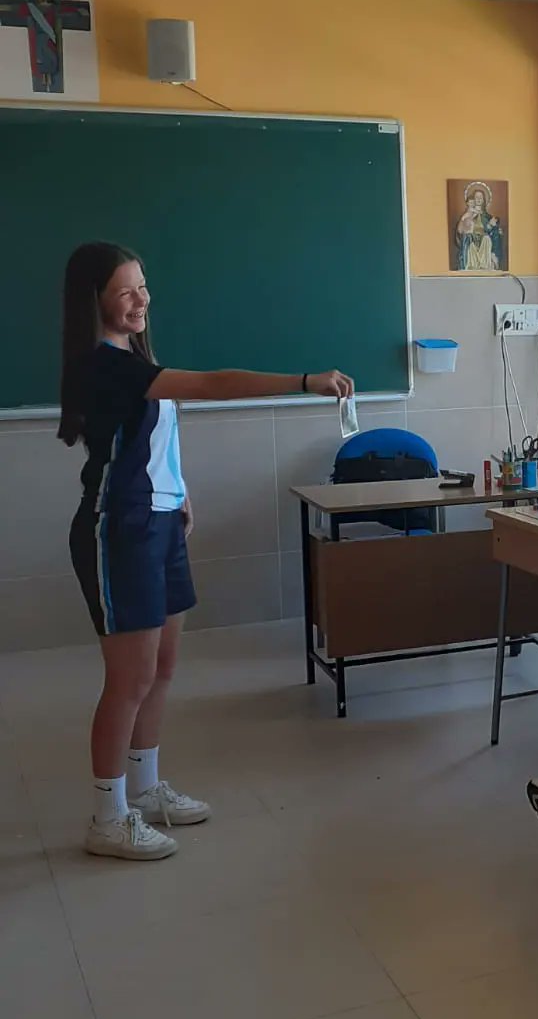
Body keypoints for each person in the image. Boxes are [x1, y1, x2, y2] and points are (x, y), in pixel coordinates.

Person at [59, 242, 352, 861]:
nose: (141, 300)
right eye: (125, 291)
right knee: (130, 678)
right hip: (122, 529)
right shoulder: (106, 365)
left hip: (160, 521)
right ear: (96, 302)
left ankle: (144, 788)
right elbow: (217, 384)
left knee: (161, 668)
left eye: (143, 285)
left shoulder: (137, 358)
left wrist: (181, 491)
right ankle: (107, 816)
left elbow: (155, 437)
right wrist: (304, 382)